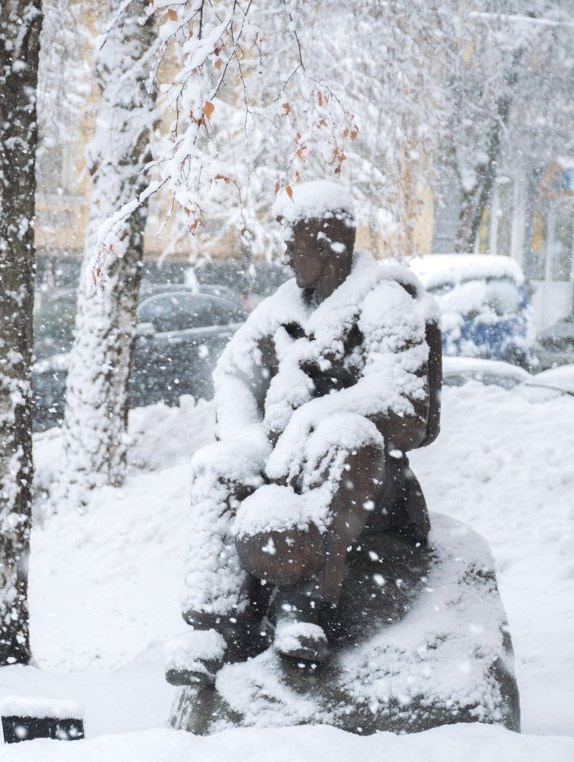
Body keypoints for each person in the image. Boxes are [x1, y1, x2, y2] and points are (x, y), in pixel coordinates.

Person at [174, 181, 441, 673]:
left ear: (325, 244)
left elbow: (406, 408)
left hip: (370, 488)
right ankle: (218, 626)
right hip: (284, 470)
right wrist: (252, 441)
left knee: (347, 436)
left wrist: (313, 420)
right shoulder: (281, 310)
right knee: (220, 466)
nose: (286, 258)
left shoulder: (384, 304)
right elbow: (233, 376)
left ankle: (303, 610)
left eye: (293, 246)